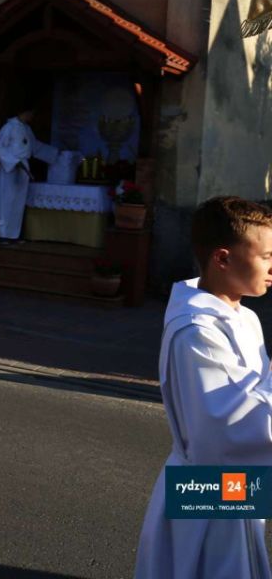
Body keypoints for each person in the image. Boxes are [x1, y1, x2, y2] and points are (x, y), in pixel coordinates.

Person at [134, 196, 272, 578]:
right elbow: (228, 428)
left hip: (234, 483)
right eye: (266, 256)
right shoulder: (197, 331)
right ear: (222, 258)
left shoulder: (244, 317)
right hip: (206, 486)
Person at [0, 106, 58, 244]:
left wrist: (55, 153)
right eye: (31, 113)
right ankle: (3, 234)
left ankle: (13, 235)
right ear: (24, 112)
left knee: (18, 203)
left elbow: (34, 147)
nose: (32, 117)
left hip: (23, 169)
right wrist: (14, 162)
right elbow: (0, 148)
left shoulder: (27, 129)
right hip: (9, 169)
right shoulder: (8, 127)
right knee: (6, 201)